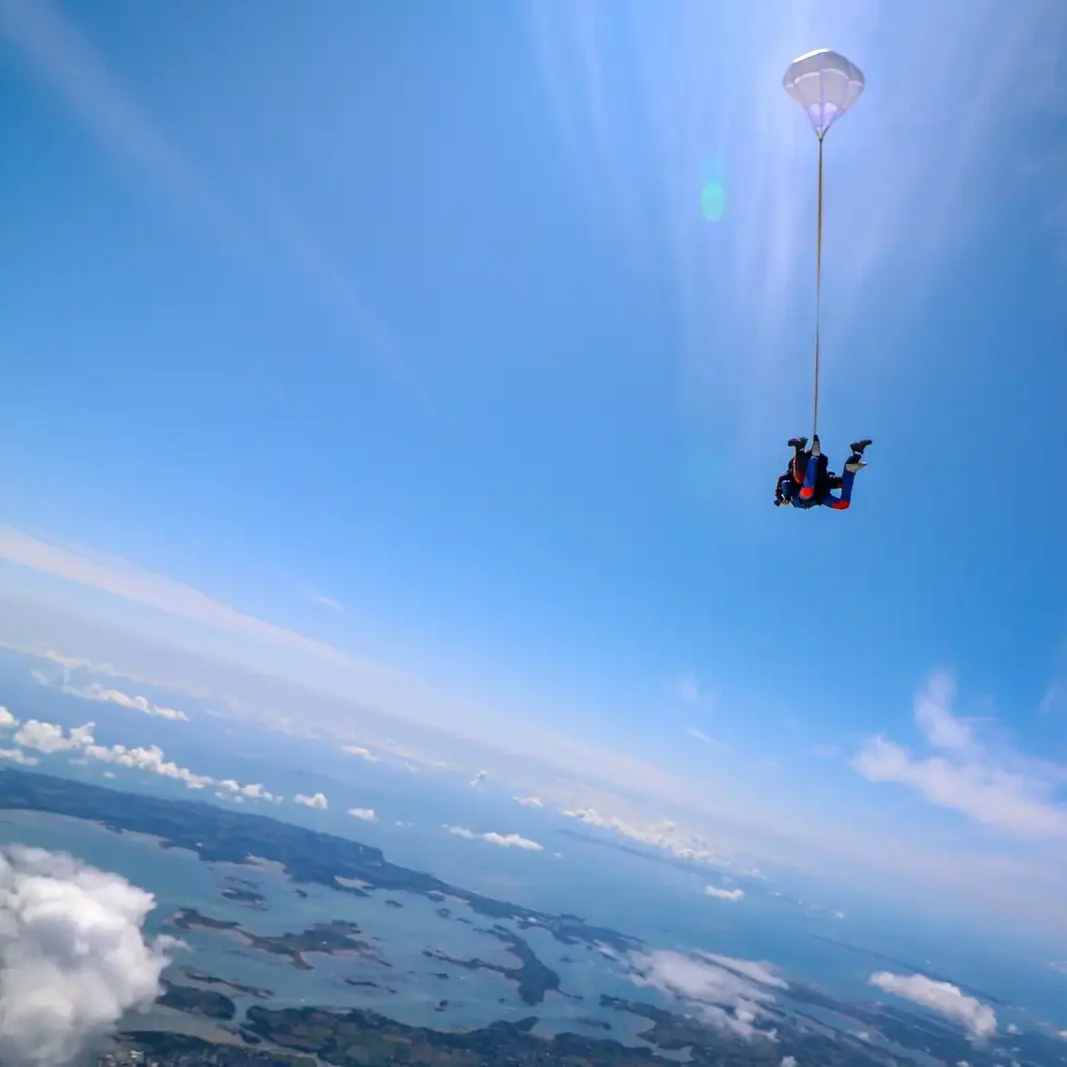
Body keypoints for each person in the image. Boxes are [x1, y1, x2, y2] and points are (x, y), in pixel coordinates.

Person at [774, 435, 870, 510]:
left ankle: (855, 455)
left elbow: (781, 479)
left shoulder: (793, 475)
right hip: (817, 494)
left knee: (807, 485)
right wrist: (781, 497)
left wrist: (779, 496)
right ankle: (856, 456)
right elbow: (783, 480)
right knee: (843, 504)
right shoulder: (792, 485)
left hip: (816, 485)